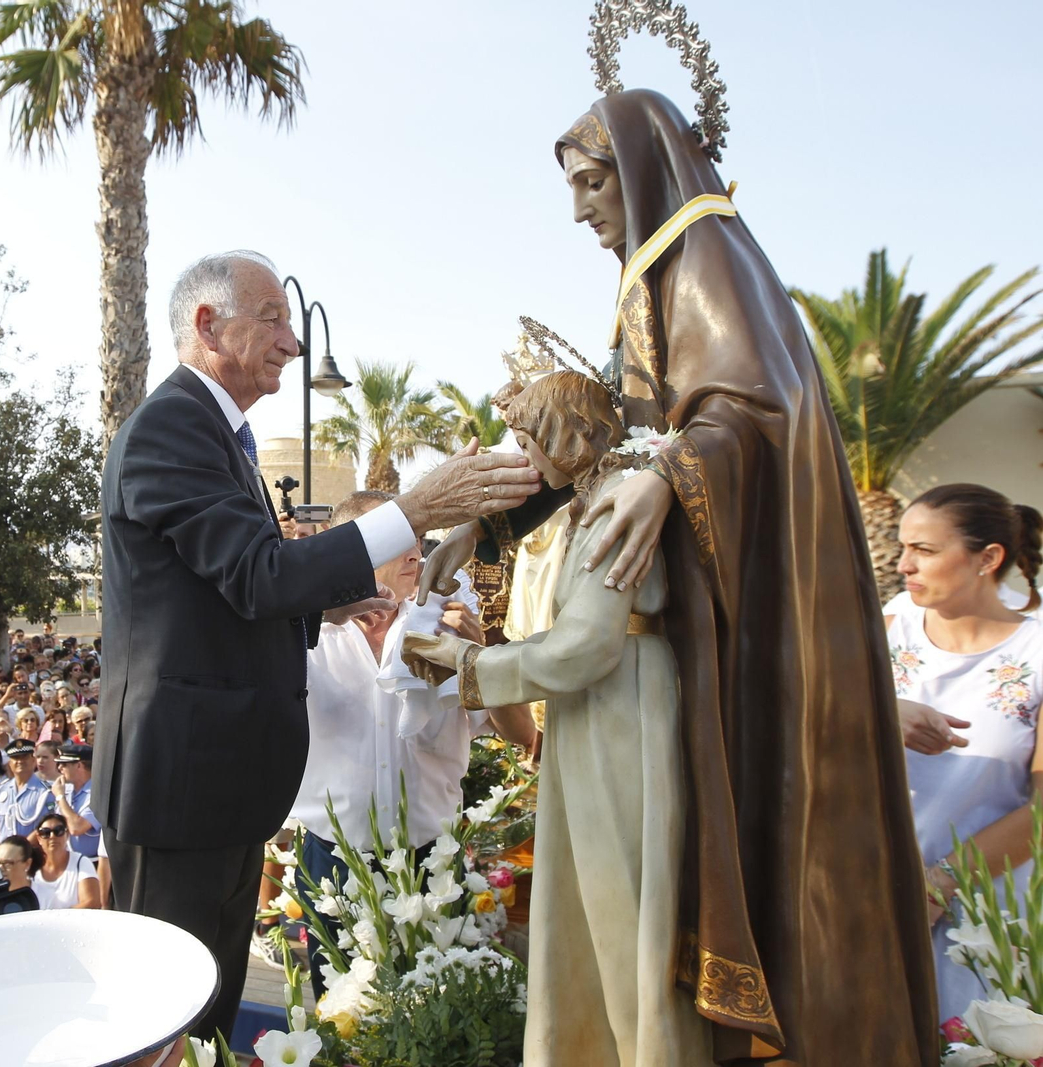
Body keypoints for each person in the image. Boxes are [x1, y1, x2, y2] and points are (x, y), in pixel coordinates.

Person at [420, 91, 938, 1063]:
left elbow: (758, 408)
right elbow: (607, 443)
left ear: (642, 168)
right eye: (572, 187)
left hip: (668, 664)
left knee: (642, 911)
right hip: (637, 678)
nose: (579, 208)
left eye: (592, 182)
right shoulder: (647, 282)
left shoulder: (706, 256)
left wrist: (668, 474)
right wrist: (485, 524)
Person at [98, 249, 545, 1042]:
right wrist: (414, 509)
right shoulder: (173, 425)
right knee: (166, 1032)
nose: (293, 341)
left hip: (218, 793)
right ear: (208, 325)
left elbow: (234, 592)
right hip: (181, 795)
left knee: (206, 1028)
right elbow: (257, 575)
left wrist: (334, 604)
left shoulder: (219, 434)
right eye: (272, 318)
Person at [407, 371, 713, 1066]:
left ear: (567, 435)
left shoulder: (615, 503)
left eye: (527, 442)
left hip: (620, 719)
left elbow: (587, 646)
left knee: (620, 912)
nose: (523, 461)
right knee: (586, 911)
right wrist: (474, 534)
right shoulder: (591, 499)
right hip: (596, 716)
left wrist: (468, 664)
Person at [289, 488, 524, 998]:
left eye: (416, 536)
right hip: (333, 866)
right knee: (340, 1012)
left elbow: (519, 732)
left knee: (432, 1017)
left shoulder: (448, 624)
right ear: (350, 547)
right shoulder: (301, 635)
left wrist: (480, 659)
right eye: (397, 538)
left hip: (432, 866)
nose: (416, 550)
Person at [886, 483, 1043, 1020]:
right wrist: (882, 711)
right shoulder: (883, 633)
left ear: (988, 558)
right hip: (871, 899)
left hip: (986, 916)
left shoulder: (1037, 654)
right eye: (903, 547)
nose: (904, 565)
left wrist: (938, 886)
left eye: (924, 550)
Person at [0, 740, 56, 857]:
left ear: (33, 761)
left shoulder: (46, 791)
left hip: (32, 855)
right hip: (3, 857)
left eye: (24, 757)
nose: (20, 761)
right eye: (15, 758)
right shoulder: (2, 789)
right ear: (10, 763)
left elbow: (46, 825)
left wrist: (18, 852)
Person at [33, 813, 102, 910]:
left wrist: (56, 917)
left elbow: (92, 902)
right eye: (46, 832)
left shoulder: (81, 862)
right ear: (39, 838)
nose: (52, 836)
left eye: (58, 831)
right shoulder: (30, 866)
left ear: (67, 834)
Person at [50, 741, 100, 857]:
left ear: (79, 765)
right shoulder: (66, 790)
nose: (59, 768)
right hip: (66, 860)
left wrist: (60, 797)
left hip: (90, 862)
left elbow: (77, 828)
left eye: (64, 764)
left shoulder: (97, 794)